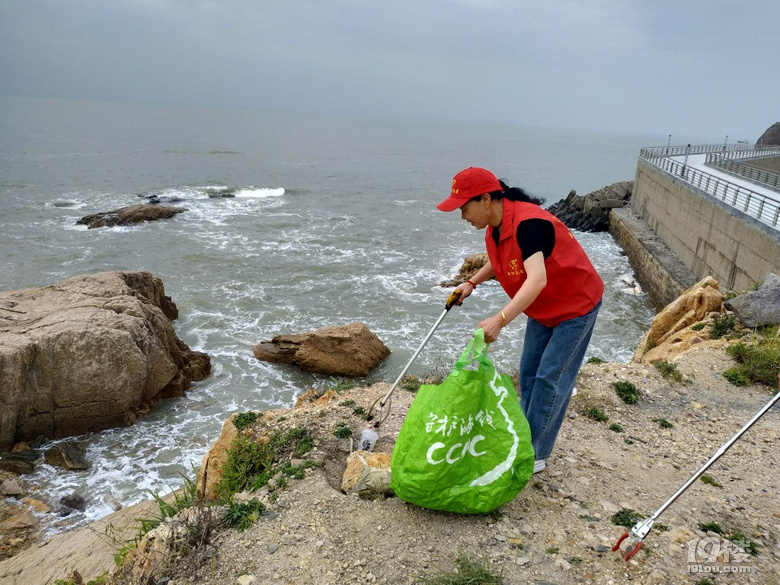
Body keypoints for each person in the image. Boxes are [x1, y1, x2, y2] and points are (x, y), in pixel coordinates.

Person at [436, 167, 604, 474]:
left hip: (576, 305)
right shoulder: (495, 226)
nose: (461, 215)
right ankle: (525, 436)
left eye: (464, 207)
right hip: (543, 307)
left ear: (485, 199)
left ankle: (534, 453)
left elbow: (536, 279)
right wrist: (471, 283)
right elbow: (499, 259)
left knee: (550, 377)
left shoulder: (529, 224)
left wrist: (500, 320)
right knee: (528, 374)